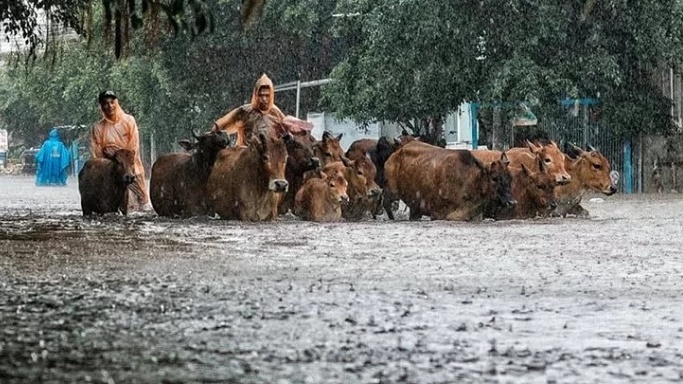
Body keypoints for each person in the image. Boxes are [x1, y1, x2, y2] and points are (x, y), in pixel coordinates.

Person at [90, 90, 152, 211]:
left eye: (112, 102)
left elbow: (134, 145)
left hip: (131, 170)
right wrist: (111, 159)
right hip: (110, 172)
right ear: (101, 106)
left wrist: (119, 156)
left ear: (117, 103)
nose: (109, 106)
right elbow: (96, 152)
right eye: (105, 103)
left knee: (142, 205)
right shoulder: (97, 127)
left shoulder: (129, 121)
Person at [211, 74, 313, 145]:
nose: (264, 99)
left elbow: (287, 131)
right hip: (246, 159)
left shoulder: (276, 113)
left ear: (271, 95)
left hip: (268, 160)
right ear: (256, 95)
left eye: (267, 95)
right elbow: (220, 127)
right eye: (260, 95)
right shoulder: (244, 111)